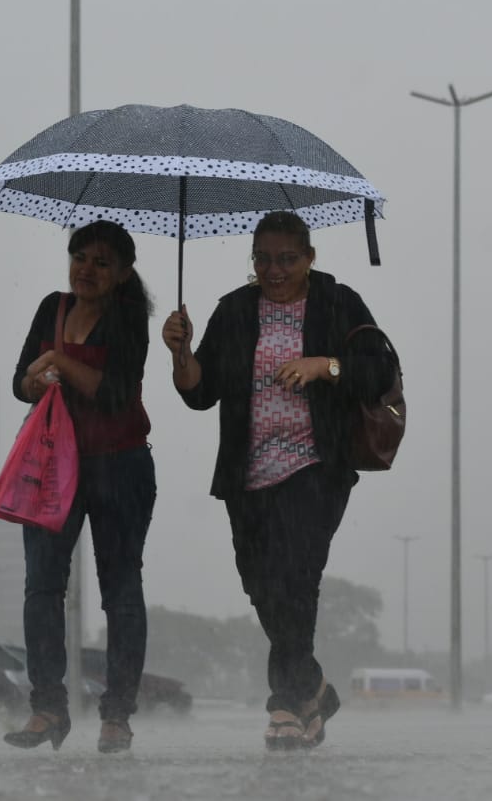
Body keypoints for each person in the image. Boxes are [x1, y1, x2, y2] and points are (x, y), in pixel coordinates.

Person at [161, 210, 397, 750]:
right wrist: (180, 354)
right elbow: (201, 392)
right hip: (248, 476)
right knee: (263, 587)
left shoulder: (339, 302)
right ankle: (314, 691)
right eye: (263, 259)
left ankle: (285, 705)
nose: (274, 269)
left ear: (310, 258)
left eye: (287, 259)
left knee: (295, 579)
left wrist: (323, 366)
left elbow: (378, 371)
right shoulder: (236, 310)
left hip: (318, 467)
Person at [3, 220, 156, 754]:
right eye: (79, 257)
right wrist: (37, 378)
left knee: (121, 591)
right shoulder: (53, 307)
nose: (86, 269)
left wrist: (60, 362)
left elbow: (114, 393)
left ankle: (117, 716)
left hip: (121, 467)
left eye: (101, 262)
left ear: (122, 273)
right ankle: (47, 706)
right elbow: (22, 379)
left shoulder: (130, 317)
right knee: (42, 586)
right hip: (53, 467)